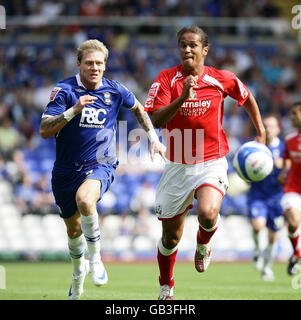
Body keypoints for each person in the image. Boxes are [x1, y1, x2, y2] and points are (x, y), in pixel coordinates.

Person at [144, 26, 266, 300]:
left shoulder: (221, 78)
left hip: (212, 161)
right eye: (183, 45)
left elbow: (247, 98)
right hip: (177, 166)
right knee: (170, 239)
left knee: (208, 213)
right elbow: (156, 120)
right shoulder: (166, 79)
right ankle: (166, 285)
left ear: (204, 49)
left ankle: (203, 244)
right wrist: (183, 98)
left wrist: (261, 131)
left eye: (193, 45)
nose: (187, 50)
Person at [39, 39, 166, 300]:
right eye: (89, 63)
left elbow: (139, 109)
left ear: (105, 65)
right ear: (79, 64)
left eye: (99, 63)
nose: (94, 67)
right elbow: (44, 130)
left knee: (85, 199)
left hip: (101, 163)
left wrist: (153, 138)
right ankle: (78, 275)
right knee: (73, 232)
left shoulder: (115, 90)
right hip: (65, 170)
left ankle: (96, 259)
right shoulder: (64, 91)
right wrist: (73, 111)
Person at [247, 115, 284, 281]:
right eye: (265, 126)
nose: (268, 129)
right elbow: (243, 168)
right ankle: (257, 250)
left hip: (277, 197)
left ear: (278, 129)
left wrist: (283, 165)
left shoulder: (284, 148)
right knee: (257, 226)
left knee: (272, 237)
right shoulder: (255, 147)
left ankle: (267, 267)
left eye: (271, 126)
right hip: (258, 195)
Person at [278, 102, 301, 275]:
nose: (291, 117)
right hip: (292, 187)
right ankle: (297, 253)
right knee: (293, 222)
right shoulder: (289, 138)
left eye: (294, 113)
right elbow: (287, 157)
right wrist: (284, 172)